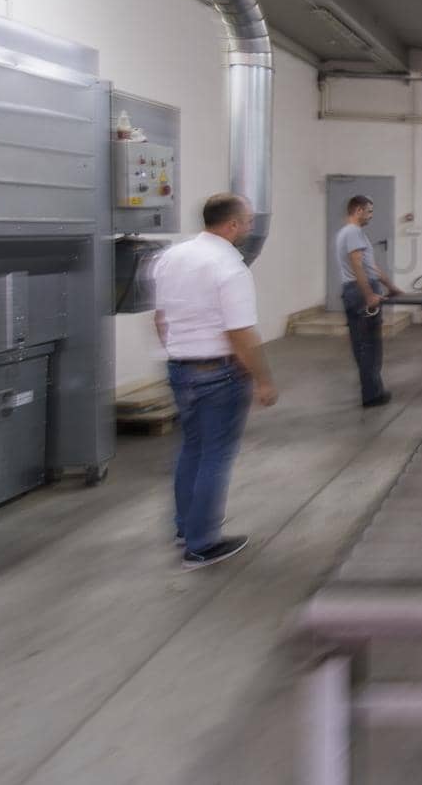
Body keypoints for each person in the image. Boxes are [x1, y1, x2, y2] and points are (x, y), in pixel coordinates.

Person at [153, 193, 278, 570]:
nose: (251, 227)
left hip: (180, 367)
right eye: (249, 221)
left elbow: (160, 319)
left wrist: (182, 355)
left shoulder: (172, 257)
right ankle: (202, 543)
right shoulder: (229, 266)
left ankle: (185, 527)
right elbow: (240, 332)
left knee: (192, 449)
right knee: (216, 457)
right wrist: (263, 380)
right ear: (232, 225)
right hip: (218, 373)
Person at [336, 194, 402, 407]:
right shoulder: (354, 233)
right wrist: (369, 294)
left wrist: (391, 287)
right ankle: (373, 395)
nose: (371, 216)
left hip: (352, 290)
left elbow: (371, 267)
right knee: (370, 346)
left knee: (362, 345)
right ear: (358, 210)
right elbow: (357, 265)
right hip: (360, 291)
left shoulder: (346, 234)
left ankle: (372, 390)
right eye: (369, 211)